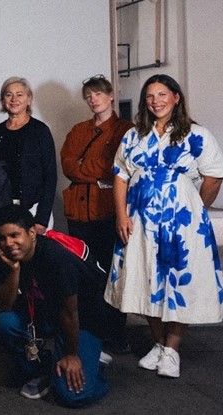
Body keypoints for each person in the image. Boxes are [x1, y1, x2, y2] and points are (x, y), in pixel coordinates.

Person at [106, 74, 223, 378]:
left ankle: (172, 349)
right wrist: (121, 215)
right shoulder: (134, 135)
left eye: (162, 94)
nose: (156, 101)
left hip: (181, 218)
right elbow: (120, 175)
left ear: (176, 97)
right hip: (140, 216)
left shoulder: (195, 134)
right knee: (146, 276)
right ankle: (160, 344)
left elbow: (214, 176)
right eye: (150, 96)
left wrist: (197, 209)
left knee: (179, 280)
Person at [0, 204, 108, 407]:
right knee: (5, 322)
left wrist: (71, 355)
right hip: (46, 314)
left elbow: (70, 311)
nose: (9, 243)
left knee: (71, 396)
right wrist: (14, 270)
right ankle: (44, 366)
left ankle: (94, 368)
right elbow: (5, 305)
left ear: (31, 233)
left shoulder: (56, 258)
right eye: (2, 238)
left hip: (83, 320)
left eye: (14, 235)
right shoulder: (5, 255)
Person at [60, 75, 135, 354]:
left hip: (108, 210)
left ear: (111, 95)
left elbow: (116, 168)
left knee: (113, 273)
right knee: (85, 273)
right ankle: (91, 333)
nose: (93, 99)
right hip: (79, 211)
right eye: (89, 95)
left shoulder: (126, 130)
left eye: (98, 94)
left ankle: (116, 333)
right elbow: (68, 164)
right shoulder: (78, 129)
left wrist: (88, 167)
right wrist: (98, 170)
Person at [0, 77, 57, 234]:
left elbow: (50, 175)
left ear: (29, 99)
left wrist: (42, 219)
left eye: (19, 94)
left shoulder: (40, 131)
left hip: (34, 209)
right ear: (3, 100)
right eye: (8, 95)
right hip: (4, 209)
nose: (14, 99)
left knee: (35, 257)